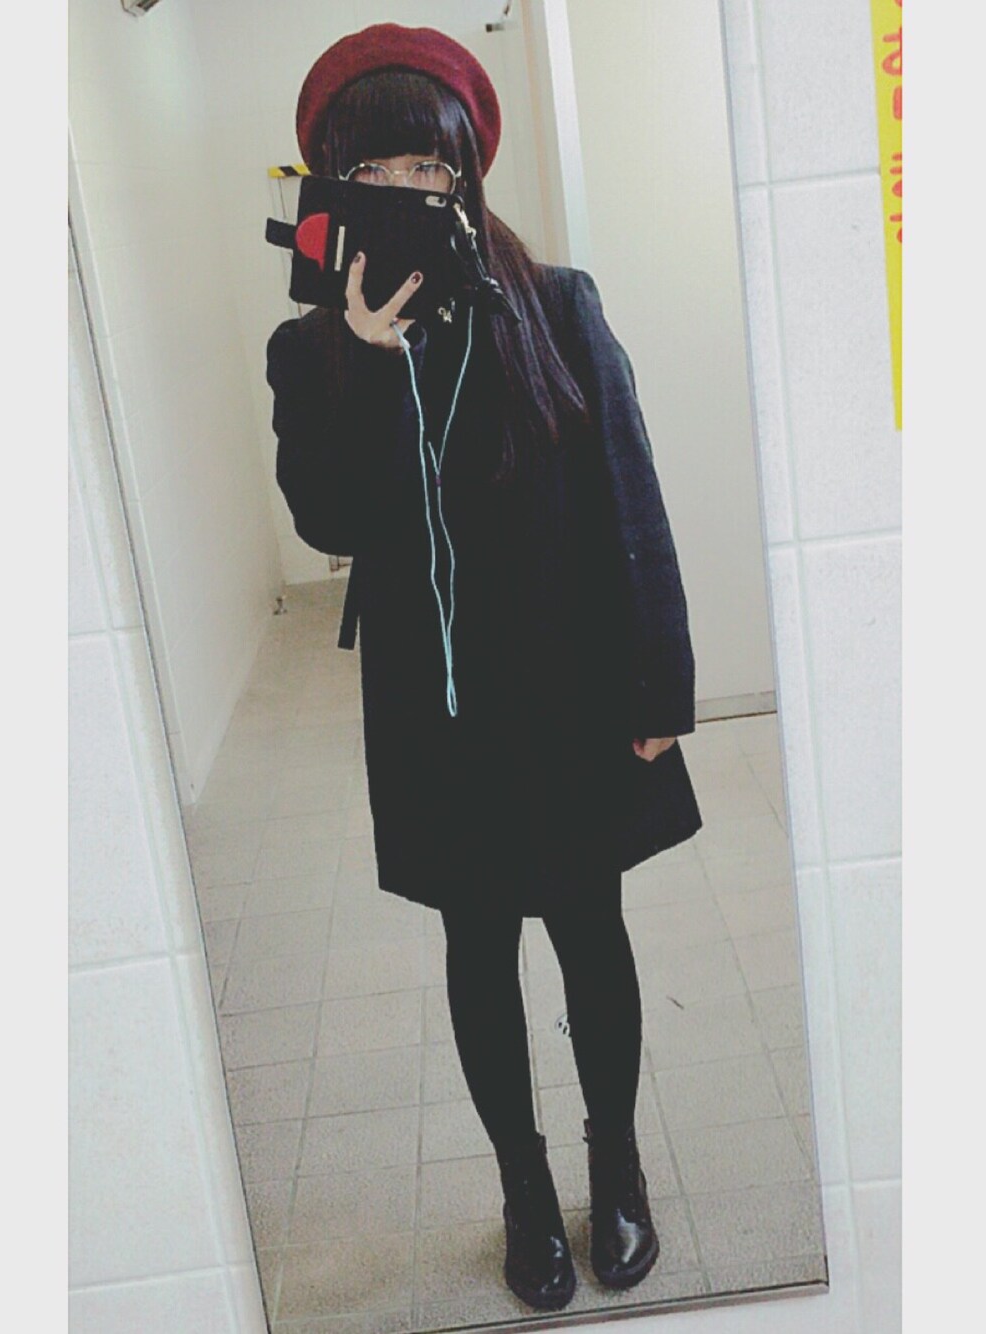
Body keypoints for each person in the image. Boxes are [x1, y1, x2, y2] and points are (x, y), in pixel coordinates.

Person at [266, 22, 702, 1313]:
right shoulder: (310, 348)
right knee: (478, 941)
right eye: (376, 171)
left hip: (569, 688)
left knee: (589, 927)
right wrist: (365, 364)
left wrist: (659, 685)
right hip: (432, 703)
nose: (408, 189)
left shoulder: (555, 303)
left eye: (428, 165)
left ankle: (615, 1164)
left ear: (465, 172)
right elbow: (331, 523)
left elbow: (630, 494)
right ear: (335, 187)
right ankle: (524, 1188)